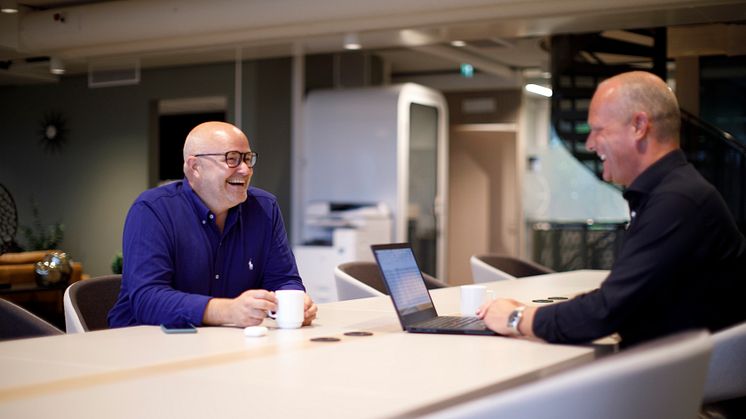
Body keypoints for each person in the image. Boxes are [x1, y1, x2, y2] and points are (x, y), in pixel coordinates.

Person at [478, 71, 746, 348]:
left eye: (598, 129)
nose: (590, 143)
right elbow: (626, 299)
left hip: (685, 376)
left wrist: (516, 318)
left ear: (639, 126)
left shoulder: (677, 201)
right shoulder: (674, 192)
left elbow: (602, 314)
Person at [108, 121, 317, 328]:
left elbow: (283, 280)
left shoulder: (264, 208)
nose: (245, 170)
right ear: (195, 167)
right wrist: (227, 311)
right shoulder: (153, 210)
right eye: (232, 159)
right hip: (145, 346)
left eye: (247, 159)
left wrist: (296, 302)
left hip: (227, 343)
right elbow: (147, 300)